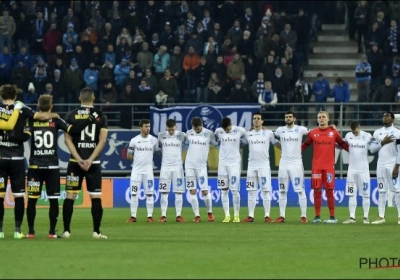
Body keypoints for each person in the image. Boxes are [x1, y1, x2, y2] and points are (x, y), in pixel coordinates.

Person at [25, 94, 99, 238]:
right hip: (52, 167)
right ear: (51, 106)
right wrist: (88, 120)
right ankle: (52, 232)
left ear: (38, 106)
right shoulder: (56, 120)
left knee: (32, 200)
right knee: (53, 200)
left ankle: (31, 232)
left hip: (35, 166)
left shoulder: (31, 120)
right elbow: (74, 131)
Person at [0, 85, 59, 239]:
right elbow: (40, 117)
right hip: (17, 159)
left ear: (1, 96)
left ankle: (0, 231)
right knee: (19, 196)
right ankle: (17, 230)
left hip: (1, 159)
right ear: (15, 96)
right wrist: (55, 115)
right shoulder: (22, 108)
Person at [62, 87, 108, 239]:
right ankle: (96, 232)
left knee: (70, 196)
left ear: (79, 98)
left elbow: (67, 140)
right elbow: (102, 141)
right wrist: (90, 159)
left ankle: (66, 231)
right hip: (93, 164)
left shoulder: (71, 114)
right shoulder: (101, 116)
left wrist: (79, 158)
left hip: (75, 163)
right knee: (95, 196)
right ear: (93, 98)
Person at [302, 111, 349, 224]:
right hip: (316, 166)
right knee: (317, 190)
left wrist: (356, 152)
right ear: (317, 120)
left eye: (323, 117)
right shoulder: (313, 133)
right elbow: (305, 146)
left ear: (328, 119)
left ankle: (332, 217)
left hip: (329, 167)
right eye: (319, 117)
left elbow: (342, 144)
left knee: (329, 191)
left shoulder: (334, 132)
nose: (321, 119)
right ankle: (317, 216)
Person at [241, 112, 281, 223]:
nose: (256, 120)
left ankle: (267, 215)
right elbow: (240, 145)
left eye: (258, 119)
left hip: (264, 167)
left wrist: (287, 150)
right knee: (251, 191)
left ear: (262, 121)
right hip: (251, 167)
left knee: (265, 191)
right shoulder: (248, 134)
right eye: (254, 118)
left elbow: (276, 144)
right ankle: (250, 216)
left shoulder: (268, 133)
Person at [273, 111, 309, 223]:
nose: (288, 118)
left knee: (300, 190)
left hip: (296, 163)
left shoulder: (300, 129)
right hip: (283, 163)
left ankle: (303, 216)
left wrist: (329, 128)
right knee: (282, 190)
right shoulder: (280, 130)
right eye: (286, 117)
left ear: (294, 119)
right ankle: (282, 216)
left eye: (290, 117)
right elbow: (271, 138)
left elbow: (313, 133)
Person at [126, 119, 159, 223]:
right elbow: (129, 155)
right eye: (146, 126)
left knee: (149, 194)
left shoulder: (154, 140)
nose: (148, 128)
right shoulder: (134, 140)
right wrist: (136, 160)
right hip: (136, 171)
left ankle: (149, 216)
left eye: (149, 126)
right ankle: (133, 216)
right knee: (134, 194)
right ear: (140, 128)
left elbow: (159, 152)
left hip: (148, 172)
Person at [185, 117, 218, 222]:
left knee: (204, 191)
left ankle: (210, 213)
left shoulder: (209, 134)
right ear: (192, 126)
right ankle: (197, 215)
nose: (197, 130)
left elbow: (216, 144)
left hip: (201, 166)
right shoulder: (188, 133)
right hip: (189, 166)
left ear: (202, 125)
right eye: (195, 128)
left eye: (198, 128)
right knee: (192, 191)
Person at [369, 112, 400, 224]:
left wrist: (397, 165)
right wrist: (382, 143)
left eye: (387, 116)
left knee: (396, 190)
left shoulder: (397, 133)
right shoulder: (377, 132)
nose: (384, 117)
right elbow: (372, 149)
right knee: (382, 191)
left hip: (393, 164)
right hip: (380, 164)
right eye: (383, 116)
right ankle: (381, 217)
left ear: (392, 119)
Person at [214, 117, 246, 222]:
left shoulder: (240, 130)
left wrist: (240, 145)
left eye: (227, 128)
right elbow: (215, 141)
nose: (226, 131)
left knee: (235, 190)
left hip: (234, 164)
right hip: (223, 164)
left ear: (231, 124)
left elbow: (246, 139)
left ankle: (236, 215)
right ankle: (227, 215)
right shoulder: (218, 131)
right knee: (224, 190)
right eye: (225, 129)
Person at [342, 121, 373, 224]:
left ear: (359, 127)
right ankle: (352, 217)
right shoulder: (348, 135)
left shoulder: (367, 135)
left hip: (364, 170)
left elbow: (372, 146)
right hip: (351, 170)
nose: (354, 133)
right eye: (352, 131)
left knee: (366, 195)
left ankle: (365, 217)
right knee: (351, 194)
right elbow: (342, 144)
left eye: (355, 131)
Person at [157, 119, 186, 223]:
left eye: (172, 129)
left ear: (176, 127)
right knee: (164, 191)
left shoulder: (182, 135)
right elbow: (158, 149)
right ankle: (163, 216)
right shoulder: (161, 136)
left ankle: (178, 215)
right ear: (166, 127)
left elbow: (187, 146)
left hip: (178, 167)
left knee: (178, 191)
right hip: (165, 167)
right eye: (169, 129)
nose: (171, 131)